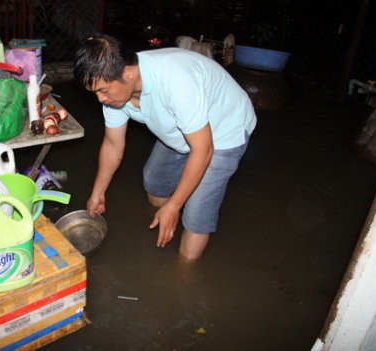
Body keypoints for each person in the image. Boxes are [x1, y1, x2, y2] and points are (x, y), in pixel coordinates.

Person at [73, 34, 257, 260]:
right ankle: (164, 220)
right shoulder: (115, 92)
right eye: (95, 93)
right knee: (154, 180)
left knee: (196, 212)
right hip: (181, 124)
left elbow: (203, 150)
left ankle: (183, 275)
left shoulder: (176, 82)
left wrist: (175, 206)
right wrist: (97, 193)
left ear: (127, 73)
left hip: (224, 130)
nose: (100, 99)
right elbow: (112, 144)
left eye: (103, 90)